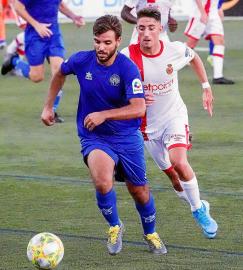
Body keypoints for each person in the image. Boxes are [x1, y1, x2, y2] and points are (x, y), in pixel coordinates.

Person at [41, 15, 167, 255]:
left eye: (107, 43)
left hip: (127, 138)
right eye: (97, 41)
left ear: (118, 41)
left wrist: (104, 114)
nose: (101, 47)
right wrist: (49, 106)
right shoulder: (81, 61)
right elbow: (59, 73)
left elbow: (139, 108)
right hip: (95, 137)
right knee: (102, 180)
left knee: (139, 191)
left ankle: (150, 232)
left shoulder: (127, 68)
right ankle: (114, 226)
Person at [121, 7, 218, 239]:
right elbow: (116, 87)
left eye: (151, 28)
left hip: (174, 116)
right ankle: (199, 204)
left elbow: (193, 57)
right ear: (137, 30)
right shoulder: (127, 56)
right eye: (141, 28)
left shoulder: (174, 50)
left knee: (179, 162)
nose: (146, 33)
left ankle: (197, 211)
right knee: (174, 177)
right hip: (146, 128)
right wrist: (136, 94)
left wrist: (206, 87)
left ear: (160, 29)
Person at [1, 0, 85, 122]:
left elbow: (59, 4)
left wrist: (74, 17)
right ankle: (14, 61)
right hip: (35, 34)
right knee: (36, 77)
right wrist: (37, 25)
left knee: (60, 71)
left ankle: (51, 110)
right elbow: (18, 7)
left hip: (53, 33)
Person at [184, 0, 234, 85]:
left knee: (219, 41)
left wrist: (219, 8)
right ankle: (170, 61)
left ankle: (218, 76)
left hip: (213, 13)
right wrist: (202, 12)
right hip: (199, 13)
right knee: (191, 43)